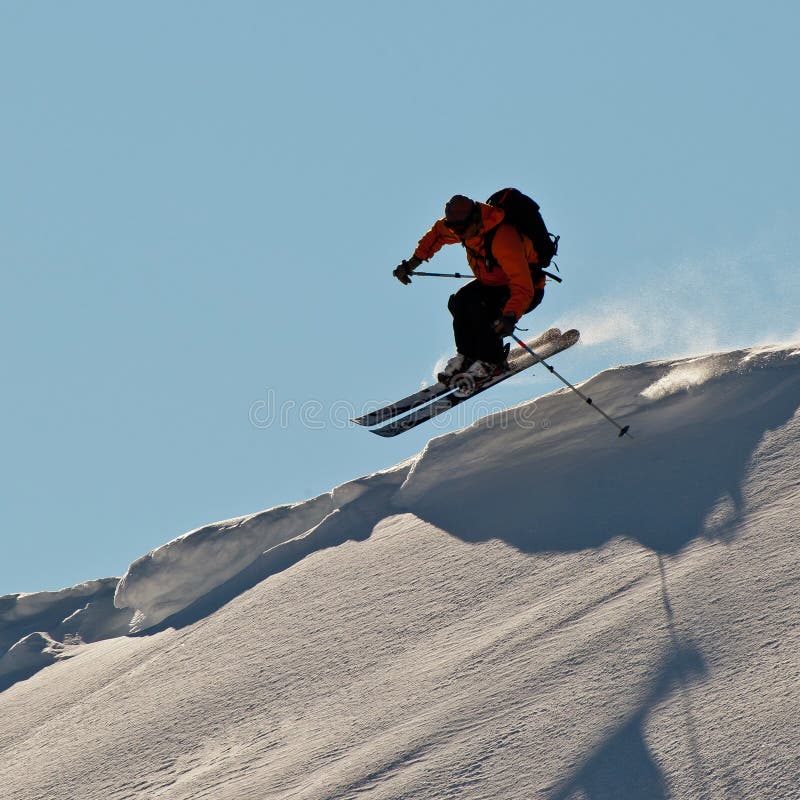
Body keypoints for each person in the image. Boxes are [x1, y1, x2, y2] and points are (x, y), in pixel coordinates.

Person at [393, 194, 547, 384]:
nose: (458, 234)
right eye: (454, 229)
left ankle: (493, 361)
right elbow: (438, 234)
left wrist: (510, 315)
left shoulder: (503, 237)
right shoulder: (462, 227)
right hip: (494, 284)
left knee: (480, 308)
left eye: (462, 229)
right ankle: (468, 355)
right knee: (460, 301)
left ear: (474, 219)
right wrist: (413, 263)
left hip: (527, 289)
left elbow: (522, 286)